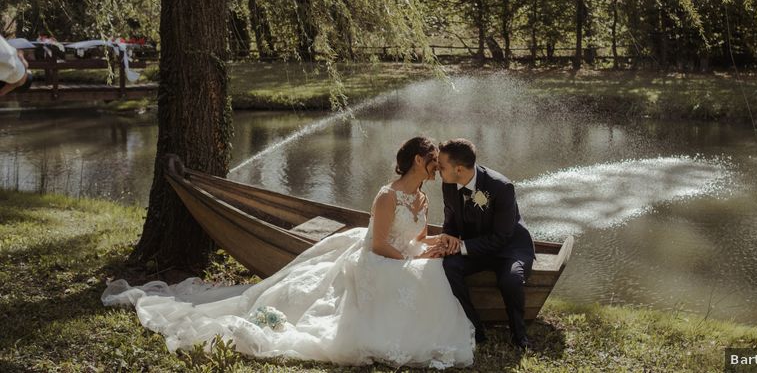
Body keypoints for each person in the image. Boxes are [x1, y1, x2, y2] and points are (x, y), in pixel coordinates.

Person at [103, 137, 475, 368]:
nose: (437, 166)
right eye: (433, 160)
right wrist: (411, 259)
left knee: (433, 274)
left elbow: (418, 237)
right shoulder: (387, 196)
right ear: (416, 161)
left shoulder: (424, 197)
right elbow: (379, 244)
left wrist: (436, 245)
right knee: (414, 276)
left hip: (400, 257)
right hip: (378, 260)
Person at [436, 138, 536, 349]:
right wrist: (448, 237)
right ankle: (475, 330)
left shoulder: (501, 187)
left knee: (511, 280)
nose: (437, 170)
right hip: (476, 248)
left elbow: (502, 237)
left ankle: (519, 335)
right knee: (450, 266)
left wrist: (462, 247)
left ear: (459, 169)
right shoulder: (448, 184)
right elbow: (450, 220)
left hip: (509, 249)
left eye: (441, 166)